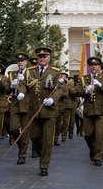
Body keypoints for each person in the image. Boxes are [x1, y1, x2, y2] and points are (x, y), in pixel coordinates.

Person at [25, 47, 65, 176]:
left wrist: (53, 99)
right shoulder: (30, 71)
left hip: (49, 111)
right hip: (34, 110)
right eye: (40, 57)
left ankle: (44, 165)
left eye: (45, 56)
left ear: (49, 58)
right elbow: (23, 84)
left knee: (48, 139)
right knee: (34, 136)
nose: (42, 58)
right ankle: (42, 153)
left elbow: (60, 88)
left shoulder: (55, 72)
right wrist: (19, 91)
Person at [76, 56, 103, 166]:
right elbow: (77, 91)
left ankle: (98, 156)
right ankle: (93, 150)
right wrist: (85, 91)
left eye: (96, 65)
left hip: (102, 110)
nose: (94, 66)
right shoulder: (84, 78)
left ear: (100, 67)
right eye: (92, 65)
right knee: (87, 134)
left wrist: (101, 85)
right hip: (88, 110)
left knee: (99, 134)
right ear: (89, 67)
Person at [7, 53, 31, 164]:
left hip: (27, 104)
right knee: (13, 128)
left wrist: (25, 83)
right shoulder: (12, 74)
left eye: (22, 61)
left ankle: (22, 155)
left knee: (25, 131)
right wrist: (11, 86)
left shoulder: (31, 73)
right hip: (15, 104)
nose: (20, 62)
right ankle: (22, 145)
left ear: (26, 62)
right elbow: (6, 90)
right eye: (18, 61)